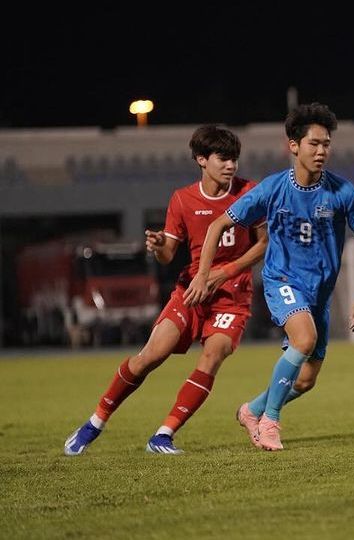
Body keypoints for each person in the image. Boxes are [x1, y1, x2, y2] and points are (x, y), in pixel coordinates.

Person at [63, 125, 268, 455]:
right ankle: (94, 423)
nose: (231, 165)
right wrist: (159, 245)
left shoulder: (250, 192)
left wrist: (224, 273)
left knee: (212, 355)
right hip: (191, 292)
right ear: (201, 159)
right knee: (150, 356)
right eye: (223, 159)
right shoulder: (183, 199)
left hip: (233, 296)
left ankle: (163, 435)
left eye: (234, 159)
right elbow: (168, 255)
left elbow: (263, 245)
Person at [185, 103, 354, 452]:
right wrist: (203, 275)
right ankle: (270, 421)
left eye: (326, 144)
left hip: (320, 293)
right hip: (282, 280)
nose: (321, 151)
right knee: (303, 341)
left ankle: (251, 410)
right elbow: (218, 225)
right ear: (293, 146)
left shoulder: (342, 192)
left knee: (305, 380)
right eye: (313, 144)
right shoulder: (273, 189)